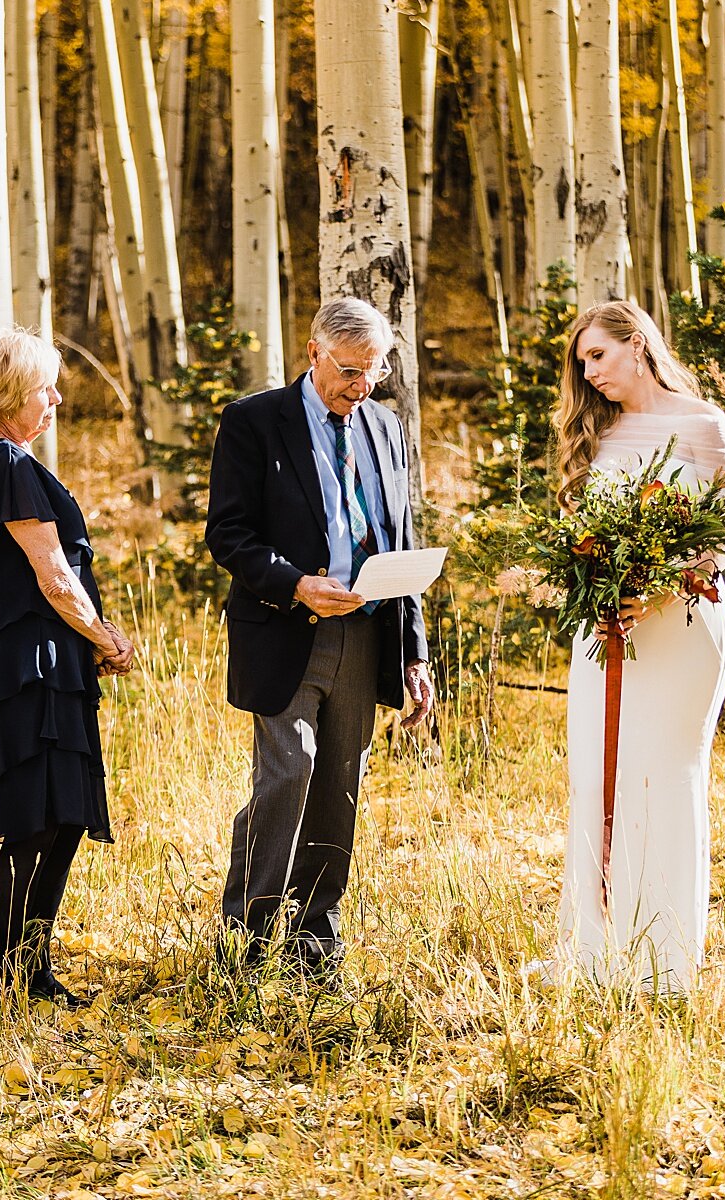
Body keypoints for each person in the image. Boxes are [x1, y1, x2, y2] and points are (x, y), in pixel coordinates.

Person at [205, 297, 435, 974]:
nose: (361, 385)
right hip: (285, 627)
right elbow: (228, 534)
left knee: (339, 783)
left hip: (367, 635)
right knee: (290, 772)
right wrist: (297, 583)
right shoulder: (253, 422)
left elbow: (402, 542)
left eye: (373, 371)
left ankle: (315, 941)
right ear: (312, 354)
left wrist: (415, 652)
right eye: (348, 370)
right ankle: (245, 940)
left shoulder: (387, 428)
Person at [553, 300, 725, 990]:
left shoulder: (702, 422)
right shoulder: (595, 433)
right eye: (582, 363)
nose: (590, 372)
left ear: (637, 344)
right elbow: (573, 533)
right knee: (598, 777)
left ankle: (665, 960)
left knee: (664, 774)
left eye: (598, 355)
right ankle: (598, 953)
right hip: (603, 631)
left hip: (685, 627)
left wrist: (662, 583)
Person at [0, 324, 136, 1015]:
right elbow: (55, 578)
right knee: (34, 821)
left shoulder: (2, 460)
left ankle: (32, 970)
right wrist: (107, 636)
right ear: (7, 393)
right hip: (28, 663)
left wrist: (87, 642)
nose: (56, 397)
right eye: (43, 387)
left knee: (59, 819)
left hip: (47, 659)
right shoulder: (5, 465)